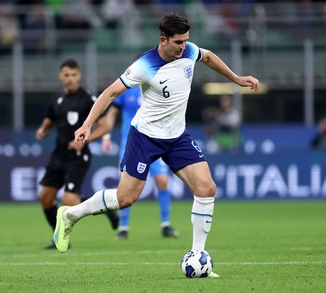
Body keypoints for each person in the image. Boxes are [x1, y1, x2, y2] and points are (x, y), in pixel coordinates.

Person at [53, 13, 259, 278]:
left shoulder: (189, 51)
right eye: (178, 42)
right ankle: (69, 216)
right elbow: (110, 93)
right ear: (163, 40)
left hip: (177, 137)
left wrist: (237, 79)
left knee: (207, 188)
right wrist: (88, 124)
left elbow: (207, 57)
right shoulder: (145, 65)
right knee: (124, 199)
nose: (184, 46)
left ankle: (198, 255)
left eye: (186, 41)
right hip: (145, 136)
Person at [36, 58, 119, 249]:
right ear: (60, 77)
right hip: (58, 155)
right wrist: (43, 130)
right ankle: (57, 236)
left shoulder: (87, 100)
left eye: (74, 75)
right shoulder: (56, 99)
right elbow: (49, 121)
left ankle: (103, 208)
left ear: (79, 76)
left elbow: (105, 127)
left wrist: (85, 140)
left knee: (69, 200)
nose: (70, 79)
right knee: (45, 198)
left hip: (78, 157)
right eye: (66, 75)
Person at [101, 85, 179, 239]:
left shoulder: (158, 88)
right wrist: (106, 136)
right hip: (130, 144)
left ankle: (166, 224)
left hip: (155, 142)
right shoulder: (126, 91)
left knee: (163, 181)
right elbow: (112, 112)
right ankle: (123, 227)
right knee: (125, 186)